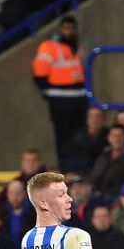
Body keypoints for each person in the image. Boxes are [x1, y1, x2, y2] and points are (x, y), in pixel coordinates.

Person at [32, 16, 86, 160]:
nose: (69, 31)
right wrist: (48, 93)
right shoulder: (50, 46)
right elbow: (39, 73)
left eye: (72, 28)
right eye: (66, 28)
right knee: (63, 139)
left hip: (79, 98)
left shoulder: (78, 46)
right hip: (60, 100)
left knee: (81, 139)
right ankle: (65, 170)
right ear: (60, 29)